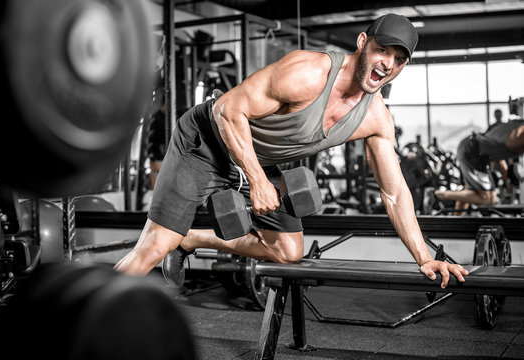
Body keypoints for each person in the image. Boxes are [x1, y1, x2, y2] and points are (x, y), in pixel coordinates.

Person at [114, 13, 469, 289]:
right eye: (382, 50)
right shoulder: (308, 73)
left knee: (288, 251)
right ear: (363, 42)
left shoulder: (376, 118)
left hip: (255, 158)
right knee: (154, 246)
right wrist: (256, 180)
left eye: (399, 59)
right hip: (207, 141)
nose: (387, 63)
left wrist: (424, 257)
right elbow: (227, 110)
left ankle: (189, 239)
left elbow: (394, 193)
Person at [435, 119, 524, 213]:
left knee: (471, 192)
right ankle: (439, 195)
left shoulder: (515, 126)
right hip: (473, 151)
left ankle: (456, 221)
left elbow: (499, 151)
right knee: (488, 199)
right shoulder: (519, 131)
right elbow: (511, 143)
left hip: (474, 151)